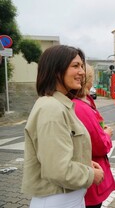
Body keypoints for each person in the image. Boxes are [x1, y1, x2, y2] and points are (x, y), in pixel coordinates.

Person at [22, 45, 104, 208]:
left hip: (66, 198)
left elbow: (62, 153)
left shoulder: (60, 105)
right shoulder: (51, 108)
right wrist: (90, 175)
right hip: (57, 199)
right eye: (75, 66)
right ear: (56, 70)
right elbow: (58, 169)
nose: (81, 72)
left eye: (81, 66)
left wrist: (85, 163)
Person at [73, 64, 115, 208]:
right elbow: (99, 145)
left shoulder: (82, 102)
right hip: (91, 182)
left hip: (87, 176)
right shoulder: (81, 107)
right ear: (88, 81)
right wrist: (106, 134)